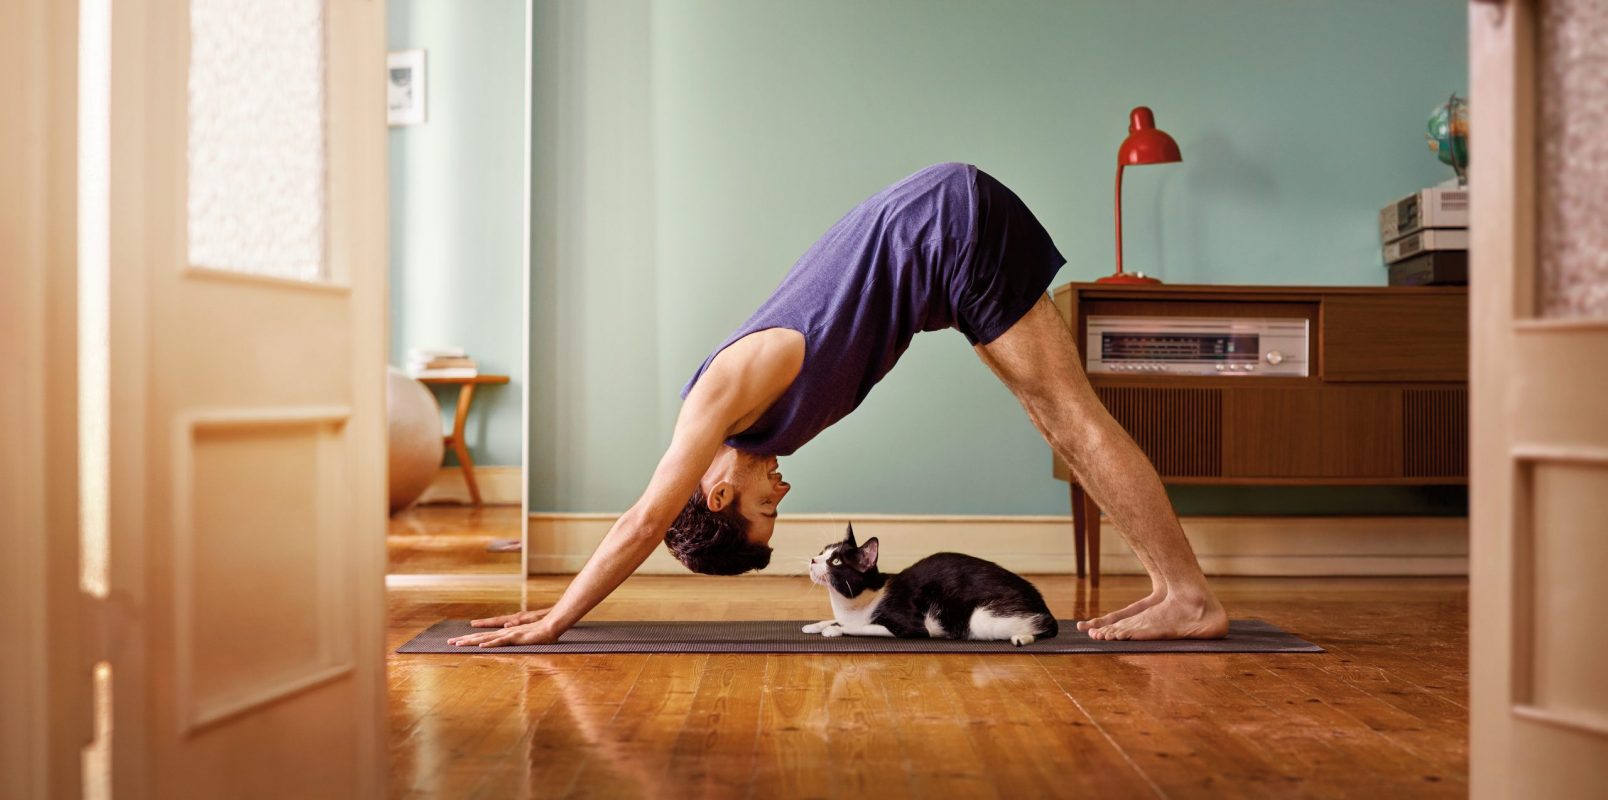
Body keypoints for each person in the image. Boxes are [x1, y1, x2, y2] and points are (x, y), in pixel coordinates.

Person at [448, 163, 1228, 647]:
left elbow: (642, 522)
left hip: (952, 226)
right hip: (946, 243)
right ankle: (1171, 591)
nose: (782, 490)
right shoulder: (755, 426)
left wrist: (557, 617)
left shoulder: (717, 402)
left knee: (1071, 418)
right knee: (1054, 420)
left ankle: (1189, 598)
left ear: (717, 495)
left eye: (764, 506)